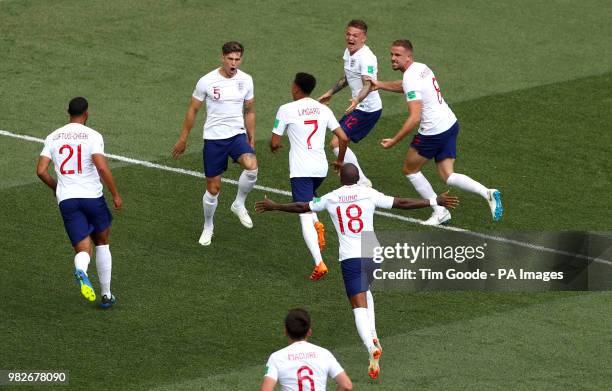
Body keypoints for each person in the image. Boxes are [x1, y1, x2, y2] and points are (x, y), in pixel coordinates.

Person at [256, 164, 459, 379]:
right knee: (366, 291)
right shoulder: (368, 193)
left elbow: (302, 207)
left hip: (351, 257)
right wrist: (434, 201)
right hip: (373, 252)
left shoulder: (331, 197)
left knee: (358, 305)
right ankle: (373, 336)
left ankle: (371, 347)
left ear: (341, 178)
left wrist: (275, 205)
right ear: (357, 178)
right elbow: (401, 202)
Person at [373, 39, 503, 225]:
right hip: (449, 123)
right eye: (391, 54)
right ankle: (487, 192)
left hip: (433, 132)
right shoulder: (420, 67)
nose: (393, 58)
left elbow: (415, 117)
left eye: (397, 55)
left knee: (410, 170)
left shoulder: (410, 77)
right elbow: (405, 86)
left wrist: (394, 140)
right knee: (447, 175)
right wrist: (380, 84)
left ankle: (439, 211)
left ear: (408, 57)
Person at [36, 97, 122, 309]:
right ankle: (106, 295)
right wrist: (115, 194)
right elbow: (102, 168)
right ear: (86, 112)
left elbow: (40, 171)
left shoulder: (53, 136)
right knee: (102, 242)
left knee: (83, 249)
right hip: (92, 197)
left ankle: (82, 270)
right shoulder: (93, 136)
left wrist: (57, 188)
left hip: (67, 200)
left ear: (68, 112)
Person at [172, 41, 258, 246]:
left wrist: (251, 136)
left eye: (237, 59)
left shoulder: (246, 80)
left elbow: (249, 110)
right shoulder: (207, 81)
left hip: (236, 136)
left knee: (252, 167)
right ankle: (208, 225)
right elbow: (193, 109)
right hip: (214, 139)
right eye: (230, 59)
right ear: (222, 57)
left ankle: (238, 204)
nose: (233, 63)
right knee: (213, 189)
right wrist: (183, 138)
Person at [270, 72, 349, 281]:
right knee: (311, 199)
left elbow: (275, 142)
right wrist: (340, 161)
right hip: (320, 168)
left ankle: (319, 262)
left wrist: (274, 147)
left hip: (301, 170)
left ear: (295, 87)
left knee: (303, 212)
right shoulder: (324, 109)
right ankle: (317, 223)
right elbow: (343, 137)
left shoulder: (286, 109)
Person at [317, 19, 382, 187]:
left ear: (364, 38)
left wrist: (358, 99)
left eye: (355, 35)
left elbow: (369, 84)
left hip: (367, 109)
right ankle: (361, 180)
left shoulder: (367, 58)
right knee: (338, 140)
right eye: (348, 34)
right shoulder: (349, 52)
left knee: (337, 141)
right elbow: (348, 77)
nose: (350, 38)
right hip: (357, 106)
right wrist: (330, 93)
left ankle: (361, 181)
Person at [261, 308, 353, 391]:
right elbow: (346, 385)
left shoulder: (276, 357)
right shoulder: (324, 354)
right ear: (309, 332)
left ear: (285, 331)